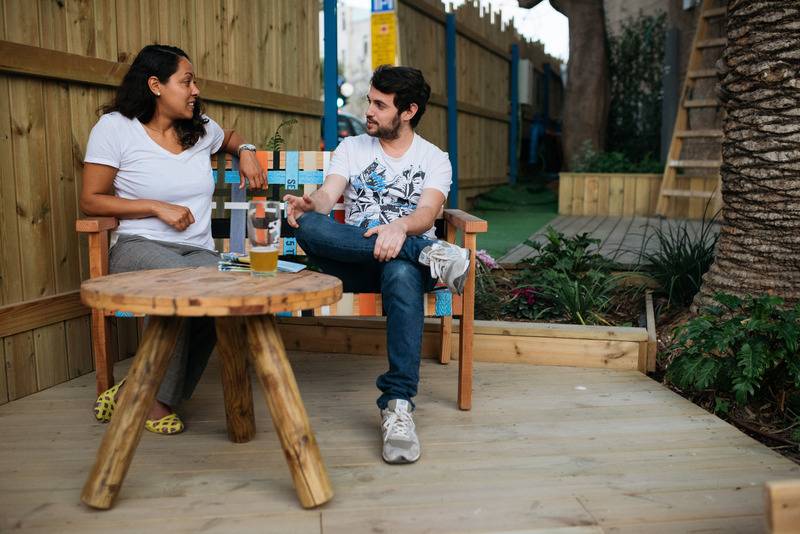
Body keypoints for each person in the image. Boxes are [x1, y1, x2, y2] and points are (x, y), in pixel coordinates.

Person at [284, 65, 470, 464]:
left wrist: (399, 229)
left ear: (409, 111)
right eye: (369, 101)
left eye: (380, 105)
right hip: (356, 261)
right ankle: (428, 254)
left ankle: (398, 404)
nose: (368, 110)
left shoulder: (435, 159)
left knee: (401, 272)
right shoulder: (352, 148)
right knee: (309, 227)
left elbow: (427, 213)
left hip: (402, 271)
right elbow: (328, 194)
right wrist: (311, 203)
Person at [80, 44, 266, 435]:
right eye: (186, 81)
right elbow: (91, 200)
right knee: (186, 285)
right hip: (137, 248)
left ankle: (141, 391)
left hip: (197, 251)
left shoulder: (199, 127)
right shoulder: (115, 129)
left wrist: (247, 150)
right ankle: (154, 399)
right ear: (156, 85)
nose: (195, 90)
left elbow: (230, 136)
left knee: (226, 294)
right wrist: (154, 206)